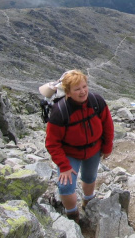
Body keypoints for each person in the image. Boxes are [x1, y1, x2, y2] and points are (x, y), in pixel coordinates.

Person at [45, 70, 114, 223]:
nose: (83, 92)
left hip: (93, 149)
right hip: (69, 153)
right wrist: (63, 165)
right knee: (65, 187)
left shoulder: (96, 101)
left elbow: (108, 125)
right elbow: (52, 142)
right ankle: (73, 215)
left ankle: (88, 201)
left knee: (89, 177)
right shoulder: (60, 111)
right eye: (77, 89)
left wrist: (107, 147)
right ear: (68, 92)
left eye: (84, 86)